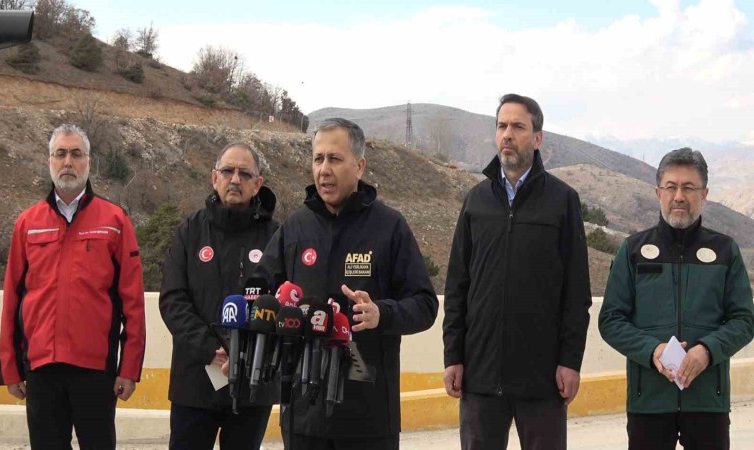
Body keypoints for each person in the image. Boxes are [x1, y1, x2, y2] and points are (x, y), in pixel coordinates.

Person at [256, 117, 439, 450]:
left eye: (335, 159)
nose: (324, 169)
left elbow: (425, 305)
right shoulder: (295, 227)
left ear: (359, 166)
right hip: (302, 414)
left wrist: (382, 314)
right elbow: (261, 292)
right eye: (318, 159)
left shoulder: (390, 226)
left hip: (368, 416)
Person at [443, 94, 592, 450]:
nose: (507, 134)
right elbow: (457, 285)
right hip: (480, 376)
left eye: (518, 127)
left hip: (542, 379)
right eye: (502, 126)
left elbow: (576, 292)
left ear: (537, 138)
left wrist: (570, 361)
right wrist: (453, 356)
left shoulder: (562, 201)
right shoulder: (476, 200)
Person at [0, 124, 146, 449]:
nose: (68, 162)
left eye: (76, 154)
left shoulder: (115, 221)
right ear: (50, 161)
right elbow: (12, 300)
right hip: (41, 369)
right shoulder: (28, 223)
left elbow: (133, 303)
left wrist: (129, 368)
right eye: (60, 154)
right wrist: (10, 367)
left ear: (88, 162)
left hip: (96, 370)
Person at [599, 147, 754, 450]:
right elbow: (611, 320)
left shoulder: (725, 251)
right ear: (658, 192)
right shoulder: (633, 250)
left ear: (704, 194)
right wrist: (652, 350)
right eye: (671, 187)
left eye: (689, 187)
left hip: (707, 401)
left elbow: (744, 320)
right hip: (649, 402)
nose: (679, 196)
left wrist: (707, 351)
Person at [159, 142, 279, 450]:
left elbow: (284, 303)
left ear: (258, 184)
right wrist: (210, 349)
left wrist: (246, 354)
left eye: (244, 173)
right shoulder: (190, 231)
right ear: (215, 178)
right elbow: (173, 299)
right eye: (227, 171)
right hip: (194, 382)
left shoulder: (276, 238)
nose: (235, 179)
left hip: (253, 386)